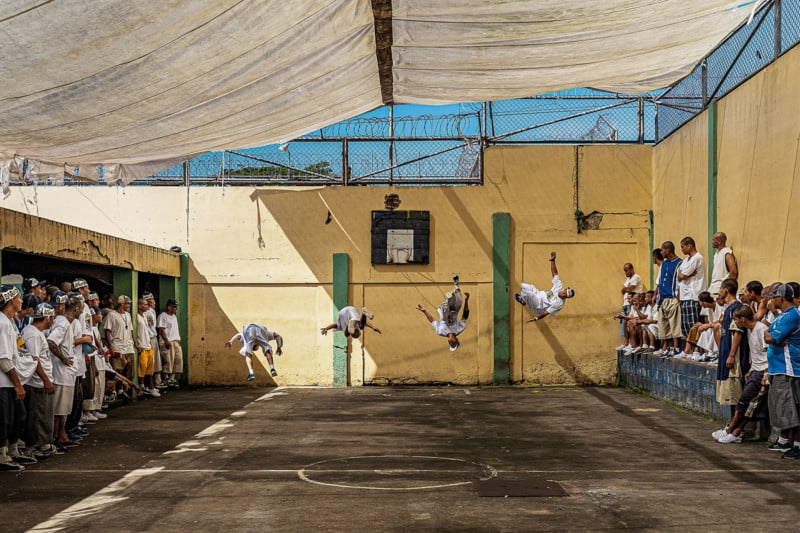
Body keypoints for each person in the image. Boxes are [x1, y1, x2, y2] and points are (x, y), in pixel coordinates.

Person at [713, 305, 769, 443]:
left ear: (743, 319)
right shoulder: (750, 330)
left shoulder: (761, 329)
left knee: (746, 401)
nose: (735, 323)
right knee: (747, 403)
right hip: (755, 369)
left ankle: (731, 429)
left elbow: (769, 352)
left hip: (763, 370)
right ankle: (735, 431)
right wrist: (750, 370)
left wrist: (767, 373)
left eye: (736, 320)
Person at [762, 284, 800, 459]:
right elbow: (767, 334)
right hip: (778, 367)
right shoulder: (782, 316)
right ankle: (784, 440)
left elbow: (770, 337)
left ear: (782, 298)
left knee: (792, 408)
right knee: (782, 408)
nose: (772, 300)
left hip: (789, 368)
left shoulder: (792, 316)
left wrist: (772, 336)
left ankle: (797, 445)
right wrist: (771, 336)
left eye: (774, 297)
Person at [0, 285, 28, 471]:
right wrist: (18, 384)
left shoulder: (9, 322)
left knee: (19, 416)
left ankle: (13, 450)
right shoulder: (2, 323)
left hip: (10, 381)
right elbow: (3, 358)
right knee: (4, 419)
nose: (21, 301)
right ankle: (2, 456)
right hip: (3, 382)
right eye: (19, 298)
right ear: (11, 300)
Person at [716, 279, 748, 417]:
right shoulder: (727, 309)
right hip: (725, 353)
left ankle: (735, 429)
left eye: (720, 288)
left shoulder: (735, 308)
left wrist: (731, 354)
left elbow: (737, 333)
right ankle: (730, 425)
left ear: (726, 290)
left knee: (734, 393)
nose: (719, 291)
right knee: (729, 394)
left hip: (734, 358)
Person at [514, 251, 575, 323]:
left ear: (566, 298)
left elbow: (546, 313)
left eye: (565, 296)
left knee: (526, 293)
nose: (563, 295)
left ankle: (523, 300)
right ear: (564, 289)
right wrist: (553, 260)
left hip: (538, 306)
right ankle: (525, 299)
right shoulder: (559, 286)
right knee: (523, 285)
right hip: (539, 294)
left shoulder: (559, 304)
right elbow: (554, 273)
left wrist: (536, 318)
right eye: (564, 293)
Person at [416, 275, 470, 351]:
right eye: (453, 344)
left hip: (445, 312)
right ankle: (456, 285)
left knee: (446, 308)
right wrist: (467, 301)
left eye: (450, 345)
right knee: (459, 299)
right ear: (456, 340)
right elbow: (465, 315)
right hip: (455, 311)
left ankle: (448, 299)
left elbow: (433, 321)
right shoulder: (459, 329)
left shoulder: (440, 332)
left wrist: (424, 311)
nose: (450, 343)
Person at [655, 241, 682, 357]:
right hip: (663, 298)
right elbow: (660, 281)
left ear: (668, 250)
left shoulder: (679, 263)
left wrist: (678, 298)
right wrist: (657, 298)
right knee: (664, 325)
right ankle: (668, 347)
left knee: (674, 324)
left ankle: (676, 348)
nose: (661, 252)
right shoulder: (663, 265)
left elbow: (680, 282)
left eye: (662, 250)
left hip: (672, 298)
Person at [677, 236, 705, 340]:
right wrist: (684, 275)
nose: (682, 249)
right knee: (685, 324)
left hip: (693, 295)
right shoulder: (685, 260)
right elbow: (679, 276)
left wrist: (684, 275)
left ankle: (695, 349)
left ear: (690, 246)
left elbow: (683, 274)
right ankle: (689, 348)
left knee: (693, 323)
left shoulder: (697, 258)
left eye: (683, 247)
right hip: (684, 295)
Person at [135, 298, 159, 396]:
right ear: (140, 306)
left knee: (150, 369)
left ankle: (151, 387)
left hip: (148, 344)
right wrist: (136, 344)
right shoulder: (136, 317)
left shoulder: (144, 316)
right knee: (142, 368)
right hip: (142, 345)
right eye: (145, 304)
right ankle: (142, 386)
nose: (147, 306)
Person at [618, 263, 644, 350]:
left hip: (631, 304)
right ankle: (625, 342)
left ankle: (631, 343)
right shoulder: (628, 279)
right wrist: (625, 289)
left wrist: (626, 289)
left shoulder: (636, 277)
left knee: (629, 323)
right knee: (623, 324)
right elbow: (622, 291)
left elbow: (630, 289)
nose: (625, 273)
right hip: (625, 304)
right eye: (624, 271)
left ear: (632, 269)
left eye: (626, 270)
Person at [158, 299, 183, 387]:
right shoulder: (163, 316)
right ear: (169, 307)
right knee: (168, 360)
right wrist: (166, 341)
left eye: (176, 307)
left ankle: (172, 378)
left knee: (178, 359)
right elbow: (161, 329)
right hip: (168, 341)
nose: (176, 308)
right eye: (174, 307)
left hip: (176, 341)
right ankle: (165, 379)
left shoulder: (174, 316)